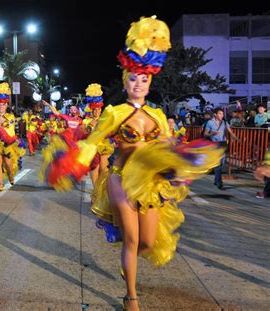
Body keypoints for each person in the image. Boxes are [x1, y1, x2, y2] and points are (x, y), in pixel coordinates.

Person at [39, 16, 224, 310]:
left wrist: (179, 168)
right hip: (121, 178)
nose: (138, 84)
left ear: (150, 82)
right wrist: (71, 164)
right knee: (133, 240)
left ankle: (129, 267)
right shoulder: (114, 113)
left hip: (149, 184)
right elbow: (91, 142)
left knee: (148, 243)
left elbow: (167, 147)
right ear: (125, 81)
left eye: (144, 79)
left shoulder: (159, 117)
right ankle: (131, 295)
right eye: (133, 78)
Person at [79, 83, 115, 189]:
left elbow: (111, 131)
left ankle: (102, 191)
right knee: (94, 170)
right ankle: (96, 193)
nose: (97, 111)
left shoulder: (104, 119)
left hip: (104, 146)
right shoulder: (86, 121)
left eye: (98, 109)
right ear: (91, 110)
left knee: (104, 170)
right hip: (92, 149)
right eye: (94, 109)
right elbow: (82, 134)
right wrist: (90, 126)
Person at [204, 107, 239, 190]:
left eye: (222, 114)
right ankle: (219, 183)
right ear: (215, 114)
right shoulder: (210, 122)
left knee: (221, 164)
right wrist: (212, 133)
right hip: (214, 144)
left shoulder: (224, 122)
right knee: (218, 164)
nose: (221, 115)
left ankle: (216, 180)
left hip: (222, 144)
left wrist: (235, 138)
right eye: (220, 113)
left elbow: (230, 131)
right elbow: (205, 134)